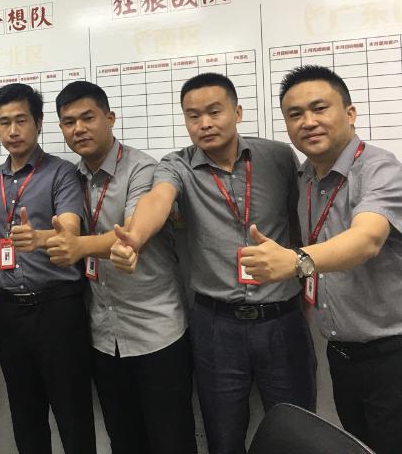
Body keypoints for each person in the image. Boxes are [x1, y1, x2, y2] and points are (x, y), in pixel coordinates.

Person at [112, 73, 315, 454]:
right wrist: (135, 237)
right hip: (217, 326)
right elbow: (158, 199)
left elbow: (297, 218)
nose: (204, 123)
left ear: (237, 112)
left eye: (214, 112)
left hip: (281, 320)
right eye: (193, 116)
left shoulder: (279, 156)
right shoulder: (177, 165)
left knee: (298, 436)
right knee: (223, 438)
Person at [240, 65, 402, 454]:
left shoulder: (379, 168)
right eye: (295, 114)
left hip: (392, 355)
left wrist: (297, 262)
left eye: (319, 108)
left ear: (350, 113)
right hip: (341, 355)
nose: (308, 122)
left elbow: (367, 239)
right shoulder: (305, 179)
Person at [52, 80, 195, 454]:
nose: (79, 129)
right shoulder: (71, 177)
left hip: (155, 331)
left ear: (110, 118)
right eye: (69, 122)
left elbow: (132, 233)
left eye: (88, 118)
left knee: (172, 441)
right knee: (124, 440)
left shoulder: (142, 169)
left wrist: (78, 247)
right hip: (104, 334)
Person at [0, 82, 95, 454]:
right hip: (9, 310)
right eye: (4, 123)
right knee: (25, 414)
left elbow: (70, 230)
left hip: (57, 308)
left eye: (21, 120)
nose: (13, 131)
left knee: (73, 414)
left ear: (39, 123)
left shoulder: (62, 173)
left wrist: (40, 238)